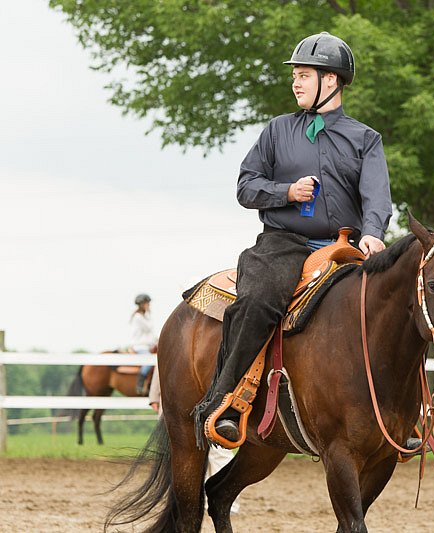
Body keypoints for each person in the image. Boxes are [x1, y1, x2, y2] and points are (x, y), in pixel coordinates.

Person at [192, 31, 393, 447]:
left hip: (345, 246)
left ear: (331, 81)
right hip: (283, 243)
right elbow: (246, 187)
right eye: (296, 76)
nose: (296, 82)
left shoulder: (365, 139)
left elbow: (377, 194)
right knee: (259, 297)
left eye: (304, 75)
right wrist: (286, 192)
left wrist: (374, 233)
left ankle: (402, 416)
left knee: (396, 305)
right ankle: (225, 400)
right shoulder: (276, 131)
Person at [149, 366, 241, 514]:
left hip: (213, 401)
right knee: (182, 456)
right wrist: (154, 396)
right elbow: (162, 363)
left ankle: (228, 501)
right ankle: (184, 501)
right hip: (181, 403)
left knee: (219, 452)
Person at [131, 293, 158, 395]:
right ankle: (140, 383)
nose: (149, 305)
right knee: (149, 361)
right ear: (142, 304)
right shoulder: (139, 317)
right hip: (140, 346)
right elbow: (149, 328)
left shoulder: (143, 316)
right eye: (147, 303)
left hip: (146, 345)